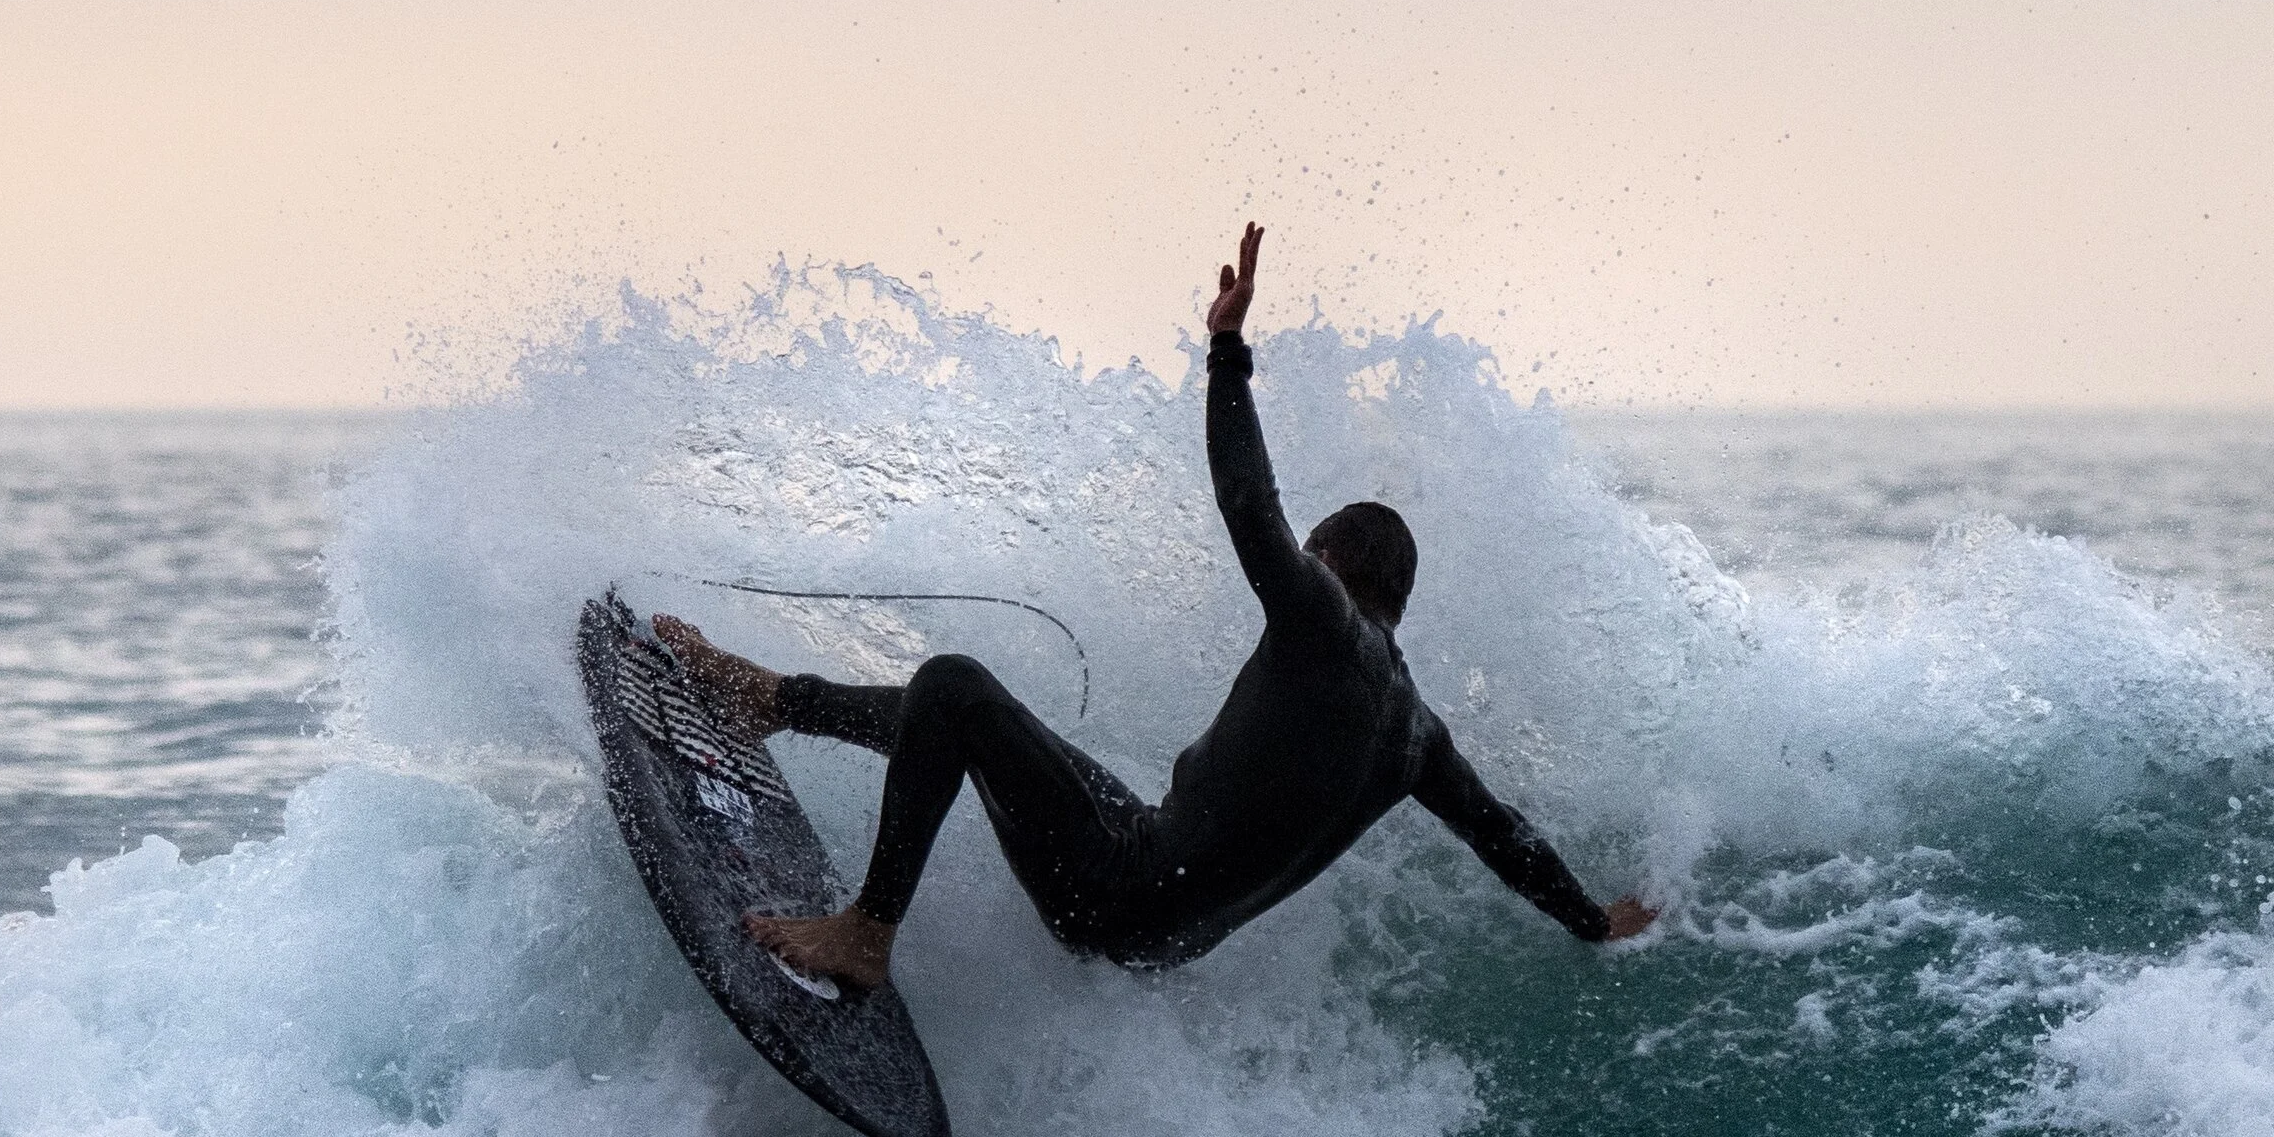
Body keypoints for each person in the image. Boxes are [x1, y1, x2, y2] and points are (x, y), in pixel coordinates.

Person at [654, 223, 1655, 991]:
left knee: (954, 687)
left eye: (1306, 556)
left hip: (1121, 886)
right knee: (987, 723)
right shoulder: (1415, 737)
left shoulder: (1322, 619)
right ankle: (773, 700)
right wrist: (1586, 918)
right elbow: (1501, 832)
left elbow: (1246, 502)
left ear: (1328, 560)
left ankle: (867, 930)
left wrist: (1226, 355)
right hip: (1158, 928)